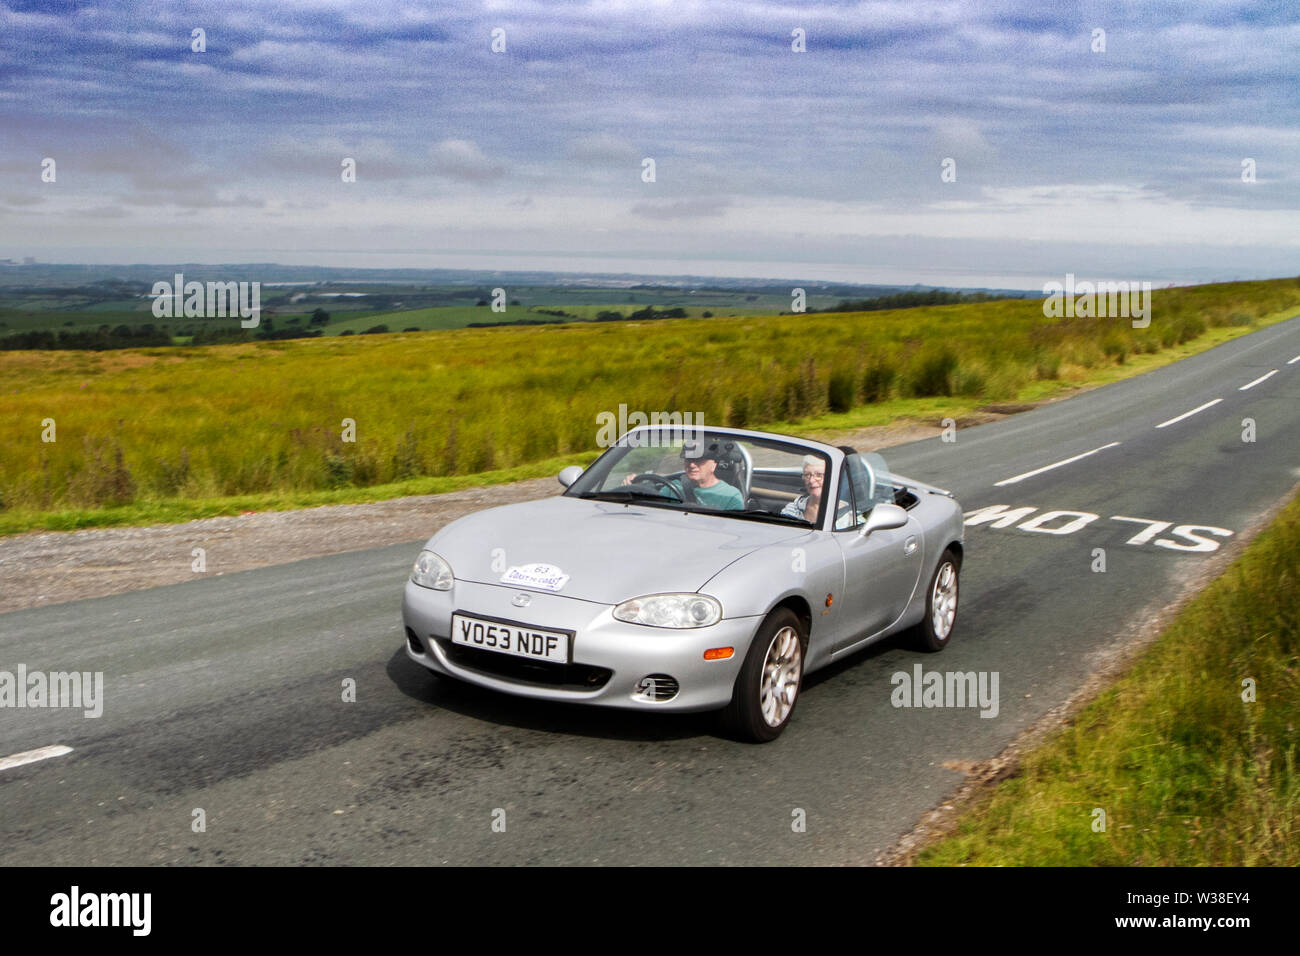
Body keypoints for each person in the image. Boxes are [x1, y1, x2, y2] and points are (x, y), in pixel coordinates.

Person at [622, 440, 744, 510]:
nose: (691, 465)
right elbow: (653, 510)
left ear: (714, 464)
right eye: (688, 459)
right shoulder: (672, 488)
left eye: (698, 460)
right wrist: (634, 488)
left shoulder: (731, 496)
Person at [781, 455, 825, 523]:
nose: (811, 480)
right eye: (807, 475)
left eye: (819, 475)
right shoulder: (792, 509)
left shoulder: (844, 513)